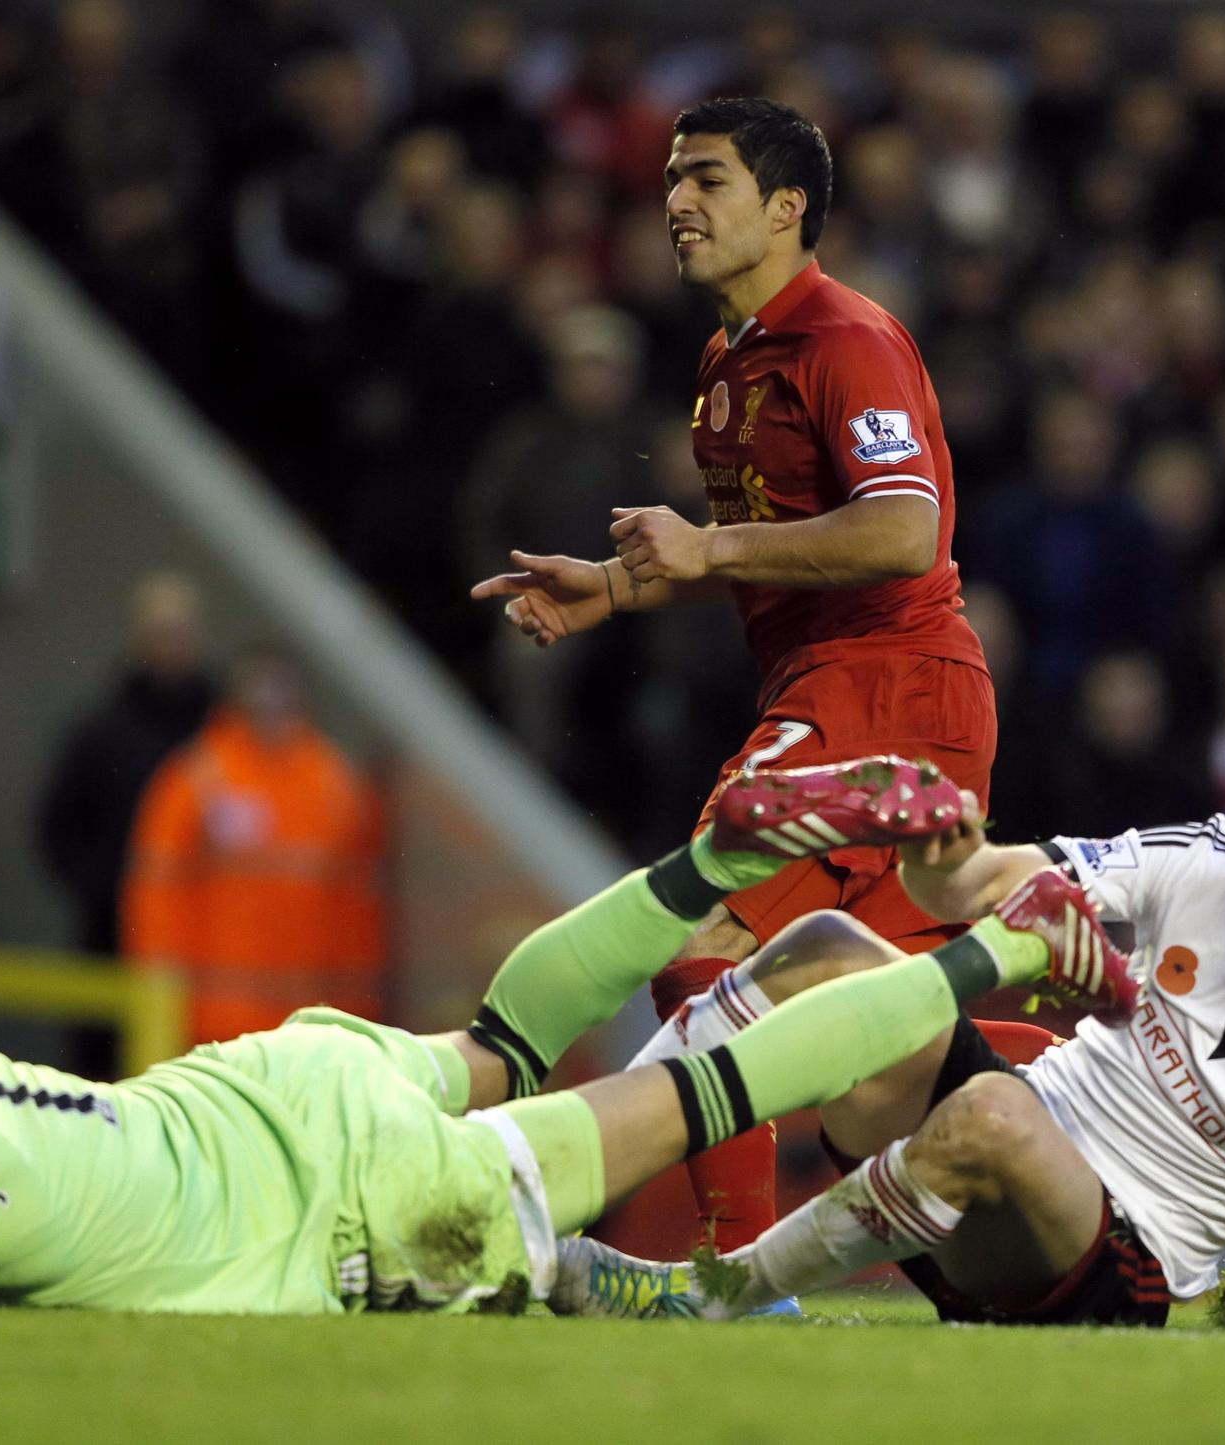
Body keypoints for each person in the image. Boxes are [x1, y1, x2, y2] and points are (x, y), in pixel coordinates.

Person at [0, 758, 1133, 1312]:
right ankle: (709, 870)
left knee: (693, 1098)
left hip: (362, 1206)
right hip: (259, 1088)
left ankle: (1010, 942)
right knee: (505, 1038)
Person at [471, 95, 996, 1262]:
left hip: (881, 680)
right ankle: (1172, 1097)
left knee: (698, 930)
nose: (676, 202)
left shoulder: (846, 340)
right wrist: (614, 584)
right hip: (867, 686)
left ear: (787, 206)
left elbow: (904, 529)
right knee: (888, 1049)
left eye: (707, 179)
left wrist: (708, 546)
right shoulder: (727, 362)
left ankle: (726, 1271)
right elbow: (768, 544)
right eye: (670, 178)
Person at [562, 764, 1225, 1332]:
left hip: (1107, 1266)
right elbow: (1000, 882)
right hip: (1002, 1128)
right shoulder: (1215, 865)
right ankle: (553, 1191)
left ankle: (718, 1296)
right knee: (824, 946)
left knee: (991, 1113)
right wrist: (944, 857)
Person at [121, 644, 385, 1045]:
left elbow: (358, 911)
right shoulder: (200, 777)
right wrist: (163, 1004)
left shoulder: (335, 783)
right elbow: (157, 895)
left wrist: (357, 1020)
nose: (271, 700)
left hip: (307, 1033)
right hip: (213, 1026)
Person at [37, 572, 218, 957]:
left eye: (181, 633)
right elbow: (58, 827)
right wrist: (104, 886)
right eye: (161, 633)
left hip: (210, 936)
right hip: (113, 934)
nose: (172, 647)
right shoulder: (102, 732)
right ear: (137, 639)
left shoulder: (223, 732)